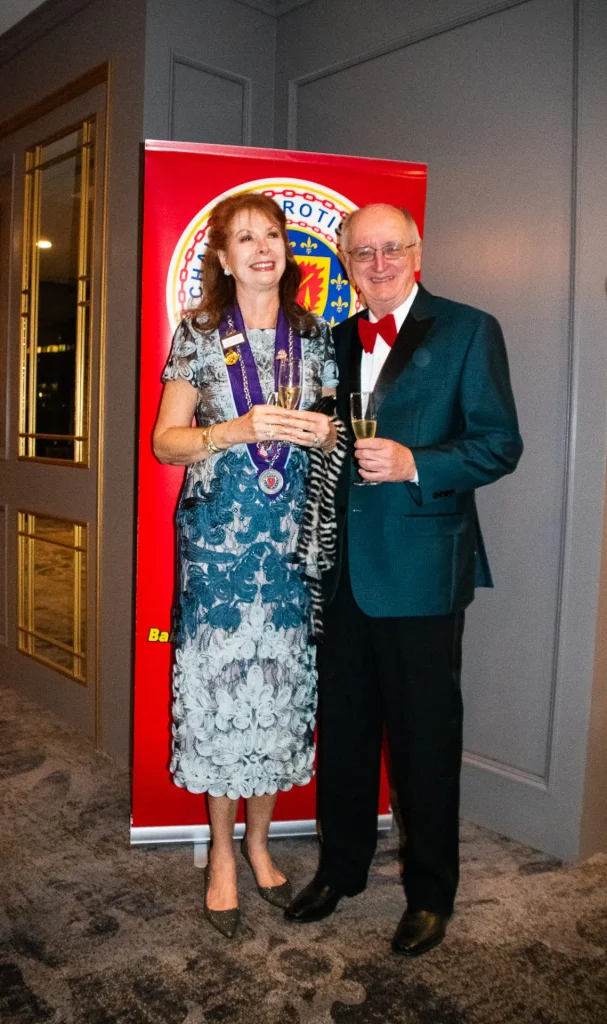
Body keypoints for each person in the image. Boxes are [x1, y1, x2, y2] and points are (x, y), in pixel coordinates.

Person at [285, 203, 523, 956]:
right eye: (363, 252)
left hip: (422, 572)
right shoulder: (330, 341)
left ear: (416, 252)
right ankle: (342, 868)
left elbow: (499, 445)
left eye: (392, 248)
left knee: (424, 740)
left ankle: (430, 892)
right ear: (346, 262)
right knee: (345, 731)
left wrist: (415, 462)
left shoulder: (469, 329)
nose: (379, 263)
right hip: (341, 572)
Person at [153, 192, 340, 938]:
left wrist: (328, 434)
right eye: (244, 238)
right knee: (223, 694)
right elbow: (166, 442)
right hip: (218, 546)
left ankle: (261, 844)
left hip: (293, 543)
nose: (262, 248)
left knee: (277, 690)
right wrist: (233, 430)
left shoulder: (315, 336)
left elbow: (340, 432)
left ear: (286, 250)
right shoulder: (198, 335)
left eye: (272, 235)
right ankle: (223, 856)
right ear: (224, 260)